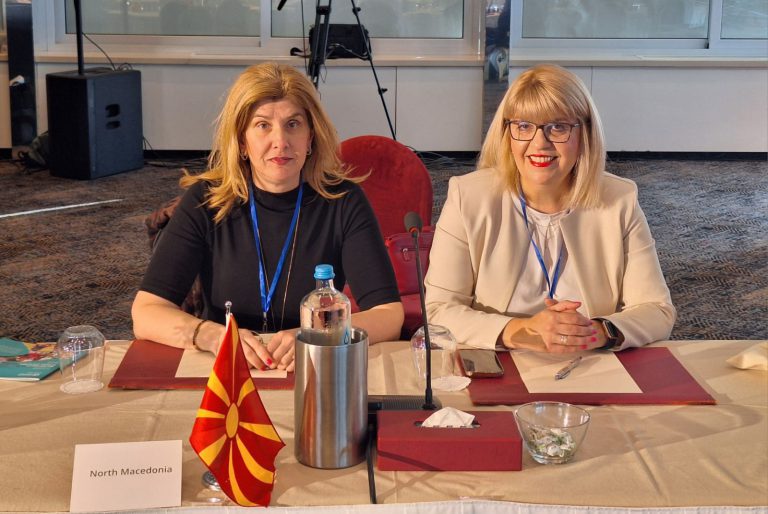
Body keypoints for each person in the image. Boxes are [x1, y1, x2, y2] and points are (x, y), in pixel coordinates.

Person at [132, 62, 404, 371]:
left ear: (310, 137)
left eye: (293, 124)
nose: (281, 141)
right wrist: (212, 336)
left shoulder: (343, 200)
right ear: (242, 140)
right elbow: (146, 312)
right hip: (226, 371)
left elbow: (389, 314)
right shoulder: (206, 200)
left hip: (309, 366)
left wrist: (320, 335)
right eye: (263, 125)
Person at [425, 64, 675, 353]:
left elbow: (657, 310)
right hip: (499, 362)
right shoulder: (468, 197)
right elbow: (437, 312)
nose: (539, 143)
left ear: (585, 135)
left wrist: (594, 332)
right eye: (524, 126)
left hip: (589, 361)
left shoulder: (619, 199)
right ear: (507, 134)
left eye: (558, 127)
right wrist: (523, 331)